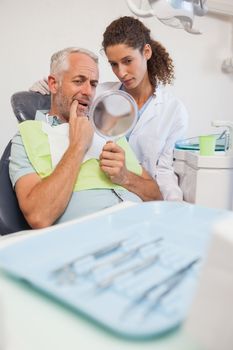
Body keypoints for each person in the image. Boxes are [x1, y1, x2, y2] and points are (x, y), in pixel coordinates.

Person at [30, 16, 188, 202]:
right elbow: (67, 107)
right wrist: (49, 87)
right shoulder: (99, 95)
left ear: (146, 52)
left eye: (128, 61)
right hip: (101, 189)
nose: (121, 72)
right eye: (113, 64)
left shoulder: (173, 110)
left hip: (143, 195)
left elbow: (164, 171)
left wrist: (174, 206)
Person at [9, 47, 162, 229]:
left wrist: (125, 177)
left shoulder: (108, 128)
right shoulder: (27, 135)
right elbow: (39, 216)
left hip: (143, 225)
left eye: (94, 83)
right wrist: (78, 145)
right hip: (96, 235)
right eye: (79, 81)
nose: (88, 91)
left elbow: (156, 197)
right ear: (53, 84)